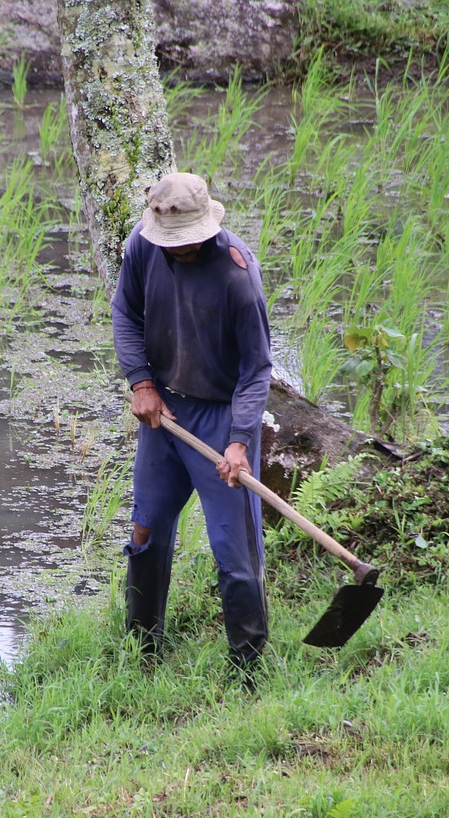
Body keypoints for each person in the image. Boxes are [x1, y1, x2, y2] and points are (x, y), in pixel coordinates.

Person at [111, 171, 273, 671]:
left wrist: (240, 441)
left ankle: (248, 668)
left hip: (221, 416)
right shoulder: (142, 245)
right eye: (171, 243)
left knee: (234, 549)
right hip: (165, 413)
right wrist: (142, 384)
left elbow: (256, 369)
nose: (178, 250)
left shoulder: (236, 274)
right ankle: (144, 651)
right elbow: (124, 312)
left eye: (187, 243)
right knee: (146, 529)